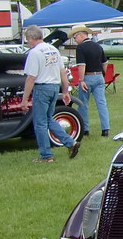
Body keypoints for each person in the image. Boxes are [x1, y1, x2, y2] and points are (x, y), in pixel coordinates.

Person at [21, 25, 80, 163]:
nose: (28, 42)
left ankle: (46, 155)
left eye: (27, 39)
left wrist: (24, 100)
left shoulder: (34, 53)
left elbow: (30, 78)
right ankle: (70, 142)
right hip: (54, 87)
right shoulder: (53, 50)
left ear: (31, 38)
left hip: (42, 88)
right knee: (49, 119)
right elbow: (62, 72)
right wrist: (65, 91)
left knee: (40, 123)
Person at [71, 24, 110, 137]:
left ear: (80, 35)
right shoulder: (98, 46)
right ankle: (105, 128)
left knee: (82, 104)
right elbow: (105, 63)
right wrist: (102, 74)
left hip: (87, 77)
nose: (75, 40)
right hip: (99, 77)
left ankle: (85, 129)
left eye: (75, 37)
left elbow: (82, 65)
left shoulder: (81, 48)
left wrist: (81, 80)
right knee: (101, 103)